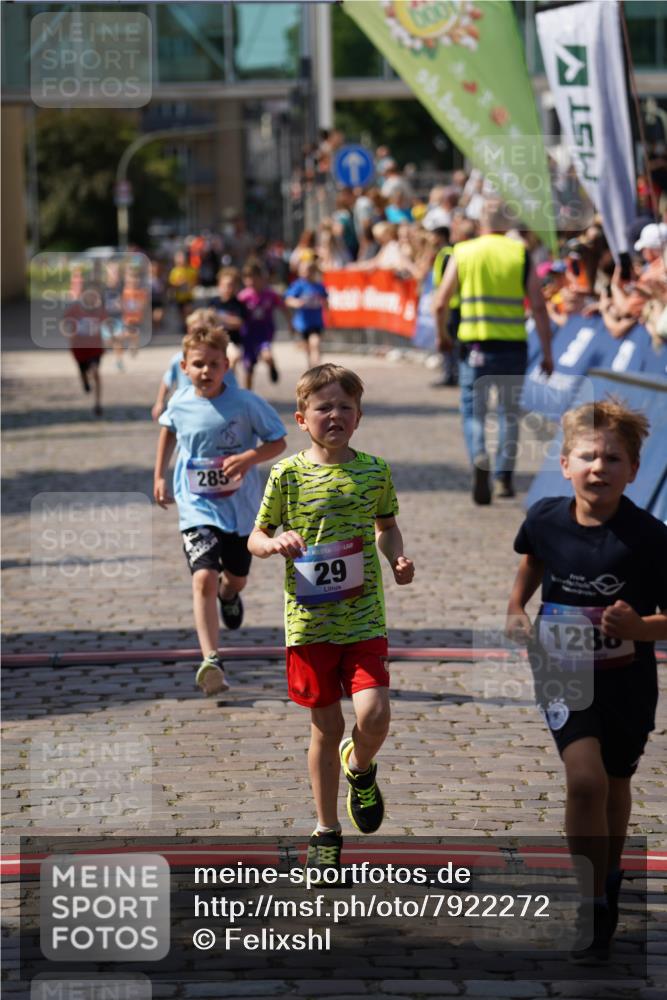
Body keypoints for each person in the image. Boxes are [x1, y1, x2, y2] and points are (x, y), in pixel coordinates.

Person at [506, 399, 667, 964]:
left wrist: (641, 625)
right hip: (561, 669)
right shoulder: (546, 517)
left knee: (616, 782)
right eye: (588, 456)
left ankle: (609, 876)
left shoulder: (650, 536)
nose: (599, 467)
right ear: (565, 462)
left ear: (634, 469)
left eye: (613, 458)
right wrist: (515, 609)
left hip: (628, 678)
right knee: (586, 782)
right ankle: (589, 896)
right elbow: (531, 560)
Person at [248, 364, 415, 882]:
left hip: (365, 618)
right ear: (302, 419)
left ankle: (360, 768)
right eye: (323, 408)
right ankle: (325, 830)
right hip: (309, 624)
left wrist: (396, 558)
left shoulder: (374, 470)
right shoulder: (287, 475)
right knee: (326, 726)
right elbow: (255, 537)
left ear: (359, 416)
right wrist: (273, 543)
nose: (335, 415)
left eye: (345, 406)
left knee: (375, 715)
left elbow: (387, 528)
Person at [154, 324, 287, 695]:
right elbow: (167, 430)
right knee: (203, 577)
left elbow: (278, 440)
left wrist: (248, 457)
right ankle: (211, 659)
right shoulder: (179, 402)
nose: (206, 371)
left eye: (214, 364)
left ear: (226, 365)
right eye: (198, 364)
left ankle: (230, 595)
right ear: (184, 366)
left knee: (236, 577)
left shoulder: (245, 403)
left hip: (240, 510)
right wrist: (160, 476)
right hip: (196, 506)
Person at [433, 199, 554, 504]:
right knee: (508, 414)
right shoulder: (520, 253)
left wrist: (442, 337)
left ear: (481, 221)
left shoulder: (463, 252)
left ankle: (479, 456)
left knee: (474, 412)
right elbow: (538, 306)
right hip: (513, 345)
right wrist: (548, 352)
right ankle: (503, 477)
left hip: (473, 346)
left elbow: (439, 302)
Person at [151, 308, 238, 421]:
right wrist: (159, 402)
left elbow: (234, 356)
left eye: (204, 332)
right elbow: (167, 380)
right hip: (187, 408)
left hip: (217, 407)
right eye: (194, 331)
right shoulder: (178, 359)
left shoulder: (219, 359)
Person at [237, 262, 294, 389]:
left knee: (266, 355)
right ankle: (248, 395)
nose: (251, 282)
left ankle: (272, 366)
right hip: (248, 334)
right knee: (249, 367)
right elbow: (235, 312)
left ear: (262, 278)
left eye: (254, 278)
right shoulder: (243, 296)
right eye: (247, 278)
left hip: (264, 332)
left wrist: (291, 323)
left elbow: (284, 308)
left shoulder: (270, 294)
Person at [61, 280, 107, 417]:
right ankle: (84, 380)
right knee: (83, 371)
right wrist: (68, 333)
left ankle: (98, 404)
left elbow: (108, 326)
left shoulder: (100, 311)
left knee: (95, 371)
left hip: (95, 347)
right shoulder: (75, 310)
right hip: (79, 348)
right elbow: (64, 322)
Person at [285, 260, 329, 369]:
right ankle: (312, 370)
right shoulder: (298, 285)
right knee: (308, 349)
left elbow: (326, 300)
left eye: (308, 271)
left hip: (316, 322)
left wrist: (326, 310)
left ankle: (318, 367)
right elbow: (288, 299)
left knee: (315, 343)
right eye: (303, 271)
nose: (305, 274)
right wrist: (297, 303)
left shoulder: (319, 286)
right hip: (303, 323)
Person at [208, 267, 248, 377]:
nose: (227, 288)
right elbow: (209, 320)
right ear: (219, 285)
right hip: (216, 341)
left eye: (231, 285)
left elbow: (239, 322)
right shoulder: (214, 302)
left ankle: (228, 383)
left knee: (234, 356)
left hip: (232, 340)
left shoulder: (238, 304)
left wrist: (221, 318)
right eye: (224, 285)